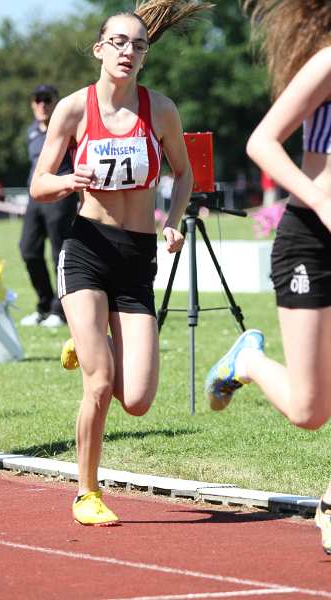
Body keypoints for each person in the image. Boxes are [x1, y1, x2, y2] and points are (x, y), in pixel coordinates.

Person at [30, 0, 212, 525]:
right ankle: (86, 492)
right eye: (118, 42)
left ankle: (86, 338)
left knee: (137, 399)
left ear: (145, 55)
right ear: (99, 49)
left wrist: (173, 221)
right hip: (87, 250)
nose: (128, 51)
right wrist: (69, 180)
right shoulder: (72, 109)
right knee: (100, 382)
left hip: (137, 259)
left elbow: (184, 174)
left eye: (138, 45)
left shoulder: (162, 110)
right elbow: (39, 184)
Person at [205, 0, 331, 555]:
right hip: (312, 238)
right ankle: (247, 361)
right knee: (309, 411)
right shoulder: (329, 62)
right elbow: (261, 141)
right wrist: (319, 199)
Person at [19, 84, 78, 328]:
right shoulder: (31, 132)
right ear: (32, 104)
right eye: (38, 100)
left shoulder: (66, 129)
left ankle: (60, 311)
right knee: (28, 250)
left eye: (47, 99)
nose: (42, 105)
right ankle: (44, 306)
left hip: (61, 197)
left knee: (59, 253)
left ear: (56, 102)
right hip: (35, 199)